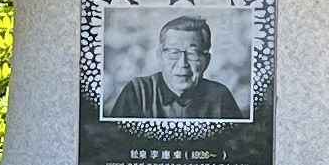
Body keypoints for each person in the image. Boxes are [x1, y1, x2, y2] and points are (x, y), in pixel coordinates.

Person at [102, 13, 246, 123]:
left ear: (207, 60)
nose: (182, 63)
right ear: (160, 56)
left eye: (192, 53)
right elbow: (115, 146)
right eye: (173, 52)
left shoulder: (220, 96)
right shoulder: (138, 92)